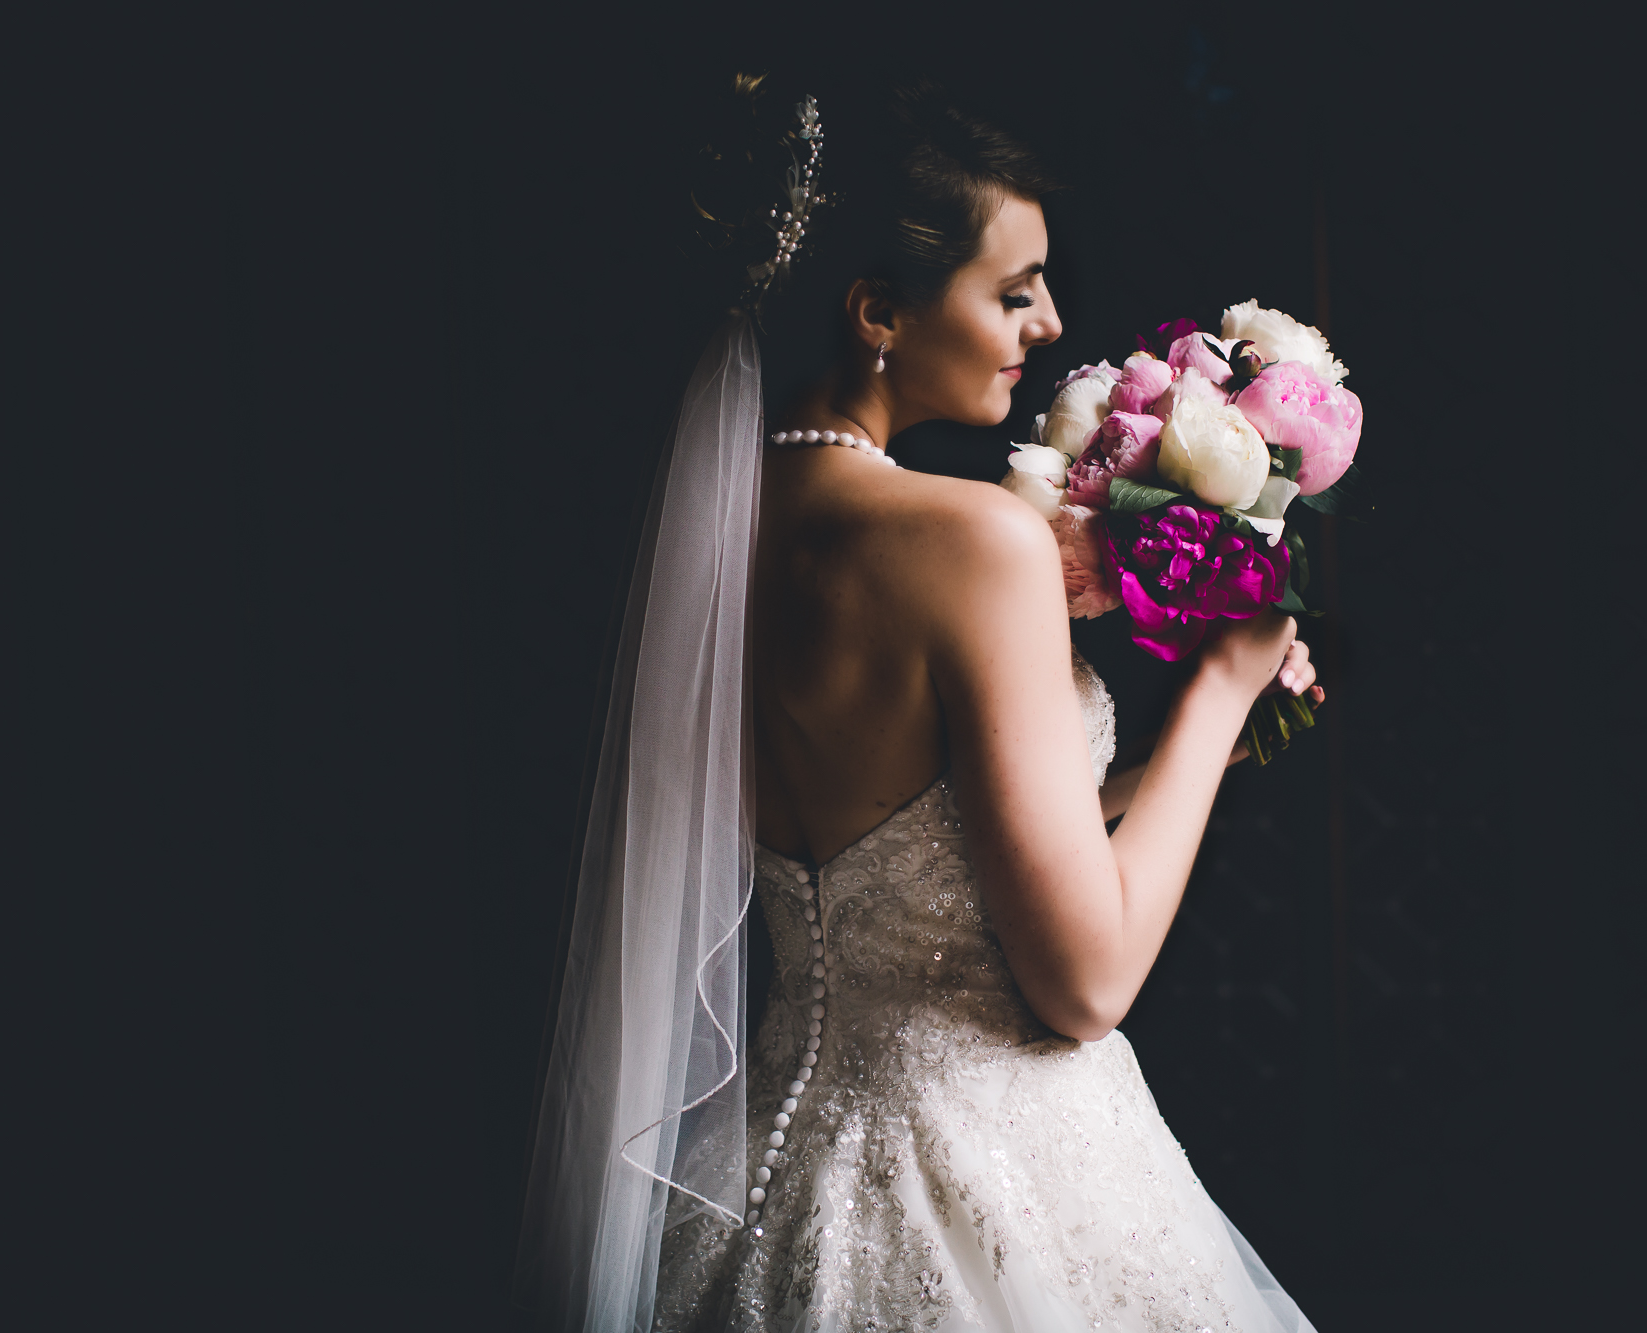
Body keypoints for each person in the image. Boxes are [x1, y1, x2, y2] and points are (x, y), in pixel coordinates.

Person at [517, 78, 1319, 1332]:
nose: (1049, 324)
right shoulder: (973, 543)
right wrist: (1221, 688)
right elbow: (1086, 981)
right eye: (1011, 291)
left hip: (769, 1180)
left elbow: (920, 842)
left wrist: (1155, 770)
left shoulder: (712, 542)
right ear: (878, 310)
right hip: (994, 1172)